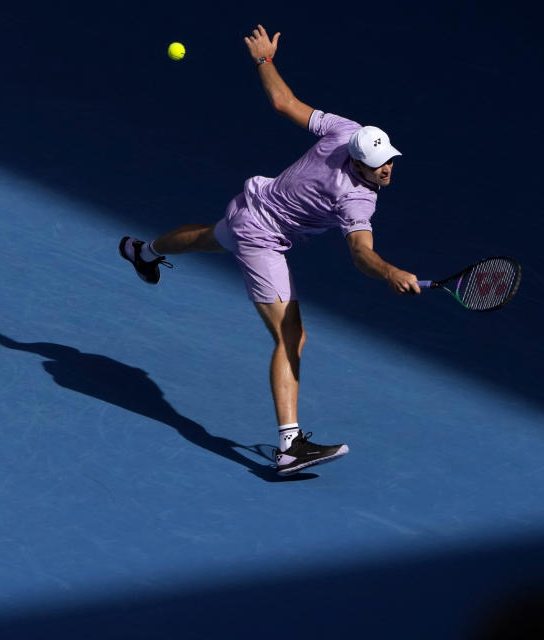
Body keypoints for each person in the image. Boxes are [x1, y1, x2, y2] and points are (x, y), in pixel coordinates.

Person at [119, 24, 421, 476]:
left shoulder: (347, 132)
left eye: (390, 160)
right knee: (291, 336)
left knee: (206, 237)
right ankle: (289, 445)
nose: (388, 170)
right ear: (358, 161)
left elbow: (284, 103)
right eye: (379, 166)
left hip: (249, 208)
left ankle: (142, 251)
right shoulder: (357, 196)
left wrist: (264, 59)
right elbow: (360, 252)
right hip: (261, 238)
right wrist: (390, 271)